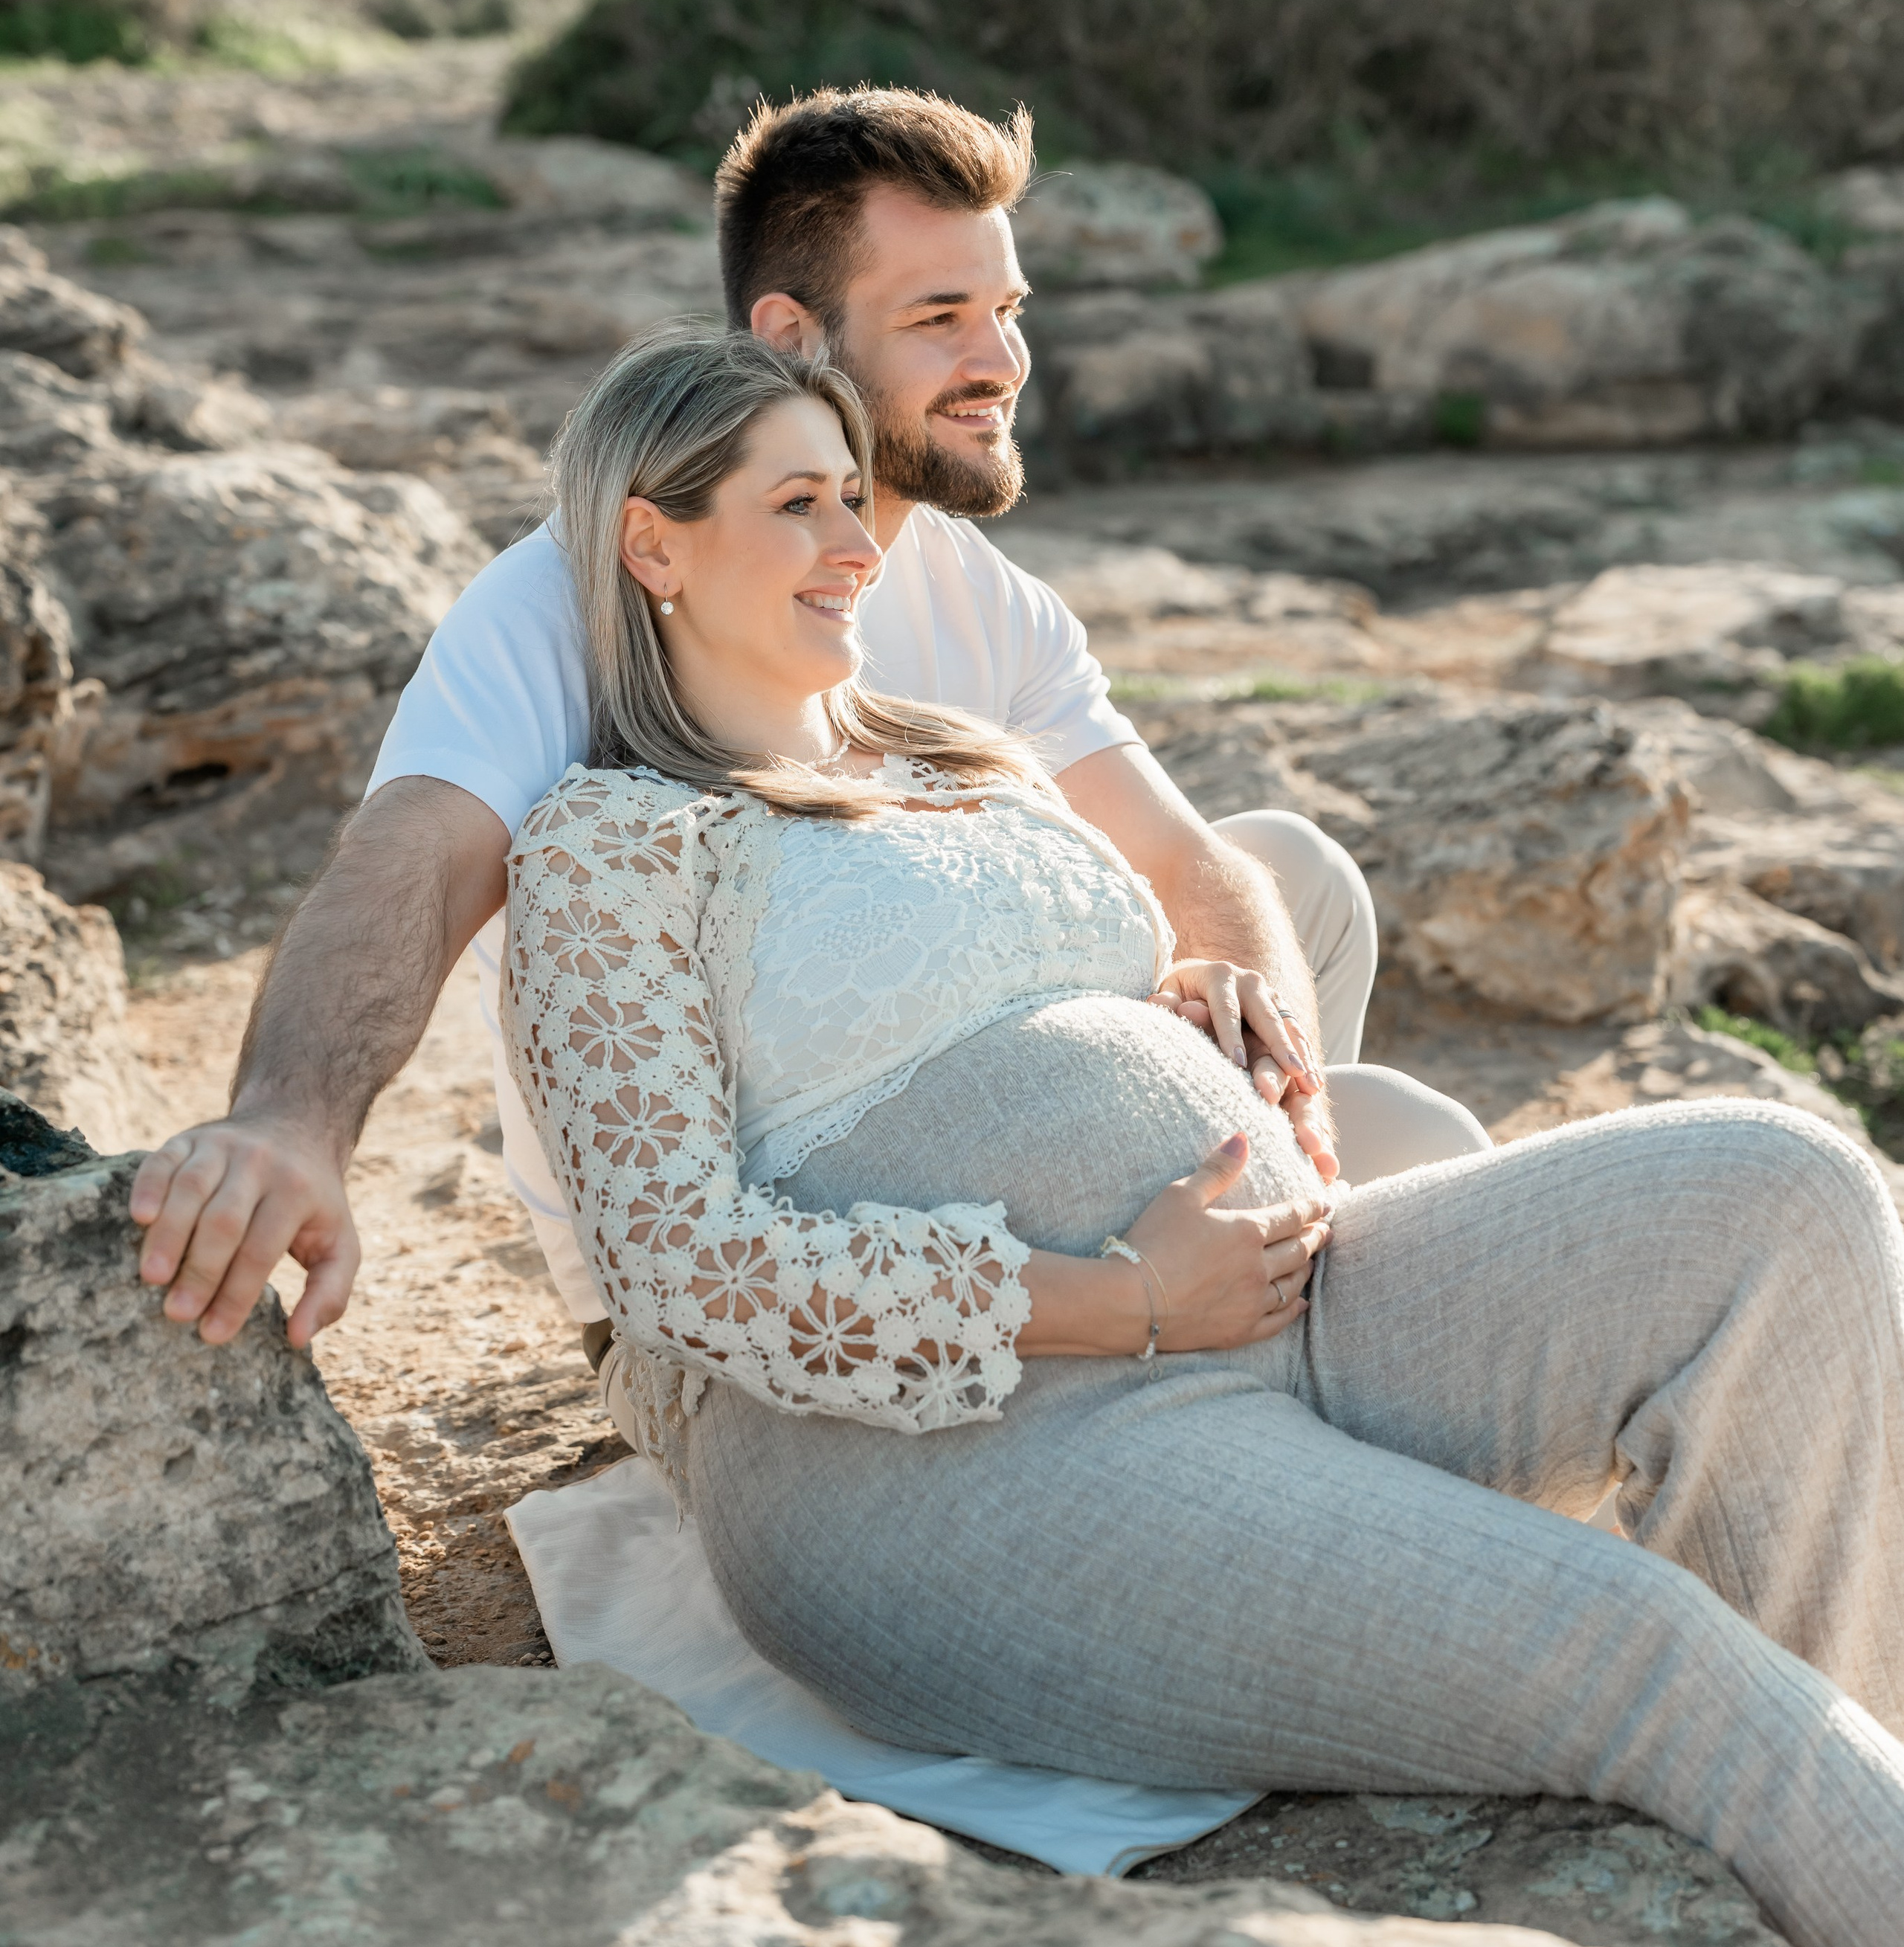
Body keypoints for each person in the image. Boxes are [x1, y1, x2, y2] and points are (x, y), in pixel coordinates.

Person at [505, 324, 1904, 1947]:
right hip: (970, 1460)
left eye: (854, 497)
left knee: (1787, 1195)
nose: (860, 542)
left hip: (1283, 1305)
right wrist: (1122, 1298)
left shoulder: (949, 756)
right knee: (1636, 1651)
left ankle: (1836, 1857)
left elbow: (1105, 944)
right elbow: (679, 1267)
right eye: (797, 505)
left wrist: (1186, 1001)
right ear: (654, 543)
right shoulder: (612, 846)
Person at [128, 88, 1485, 1352]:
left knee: (1289, 878)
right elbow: (411, 859)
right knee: (1409, 1155)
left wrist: (1274, 1087)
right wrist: (288, 1123)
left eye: (1007, 306)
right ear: (793, 337)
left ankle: (1276, 1252)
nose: (1001, 358)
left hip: (989, 1055)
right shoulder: (586, 587)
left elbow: (1194, 866)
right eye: (940, 315)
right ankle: (1291, 1304)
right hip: (780, 1184)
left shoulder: (979, 590)